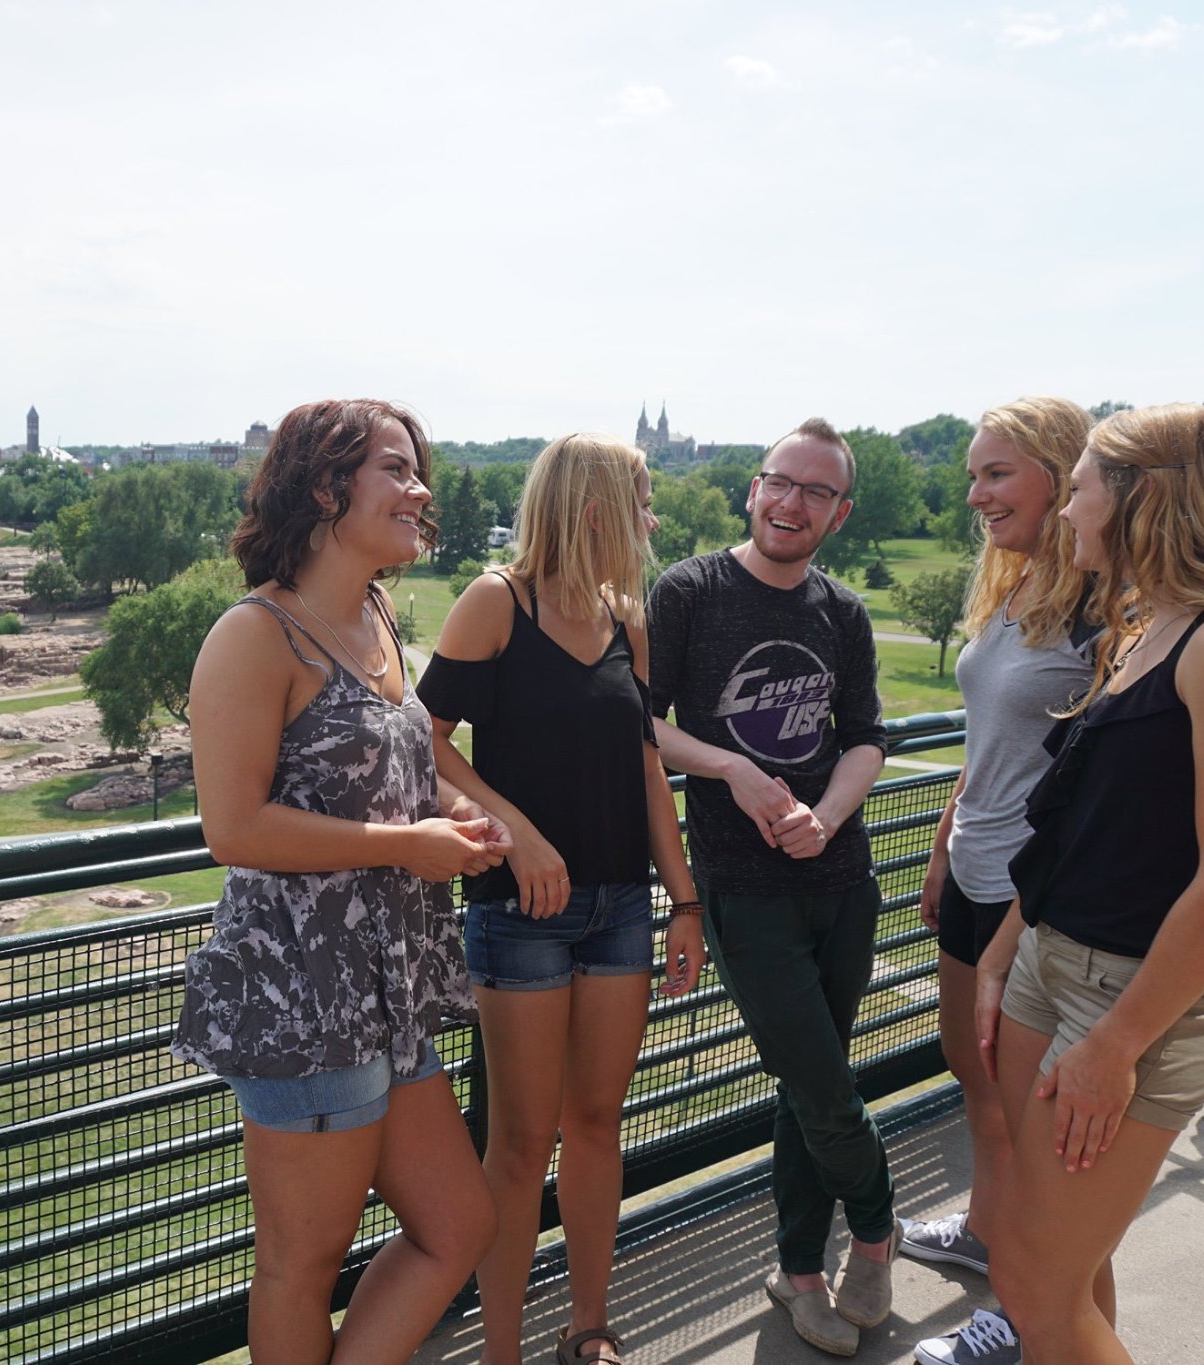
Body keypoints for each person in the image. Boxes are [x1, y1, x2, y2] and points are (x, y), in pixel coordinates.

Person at [976, 403, 1204, 1364]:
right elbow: (1079, 827)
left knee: (1030, 1281)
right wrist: (1006, 953)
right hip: (1051, 965)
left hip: (1133, 998)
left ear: (1140, 498)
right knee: (1060, 1260)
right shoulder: (1145, 626)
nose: (1067, 512)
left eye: (1082, 486)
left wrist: (1116, 1041)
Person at [170, 398, 508, 1365]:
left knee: (458, 1220)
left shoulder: (375, 611)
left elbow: (388, 774)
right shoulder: (254, 635)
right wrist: (408, 847)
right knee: (301, 1263)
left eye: (417, 471)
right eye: (396, 470)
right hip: (302, 993)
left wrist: (453, 822)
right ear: (325, 487)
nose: (420, 490)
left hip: (386, 986)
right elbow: (233, 827)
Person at [418, 432, 703, 1365]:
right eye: (642, 502)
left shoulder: (629, 619)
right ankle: (502, 1349)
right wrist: (517, 831)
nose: (652, 522)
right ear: (594, 509)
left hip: (620, 905)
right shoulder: (496, 603)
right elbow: (427, 747)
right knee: (519, 1141)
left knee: (595, 1125)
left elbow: (646, 761)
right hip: (518, 913)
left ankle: (589, 1328)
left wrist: (685, 902)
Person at [645, 417, 894, 1358]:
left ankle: (798, 1272)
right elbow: (643, 720)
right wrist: (728, 769)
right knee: (825, 1086)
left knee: (806, 1085)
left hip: (843, 876)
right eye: (778, 482)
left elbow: (867, 734)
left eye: (815, 491)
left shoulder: (842, 609)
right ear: (753, 489)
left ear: (839, 510)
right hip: (743, 890)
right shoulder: (691, 591)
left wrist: (826, 814)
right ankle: (877, 1225)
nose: (791, 502)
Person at [905, 398, 1096, 1365]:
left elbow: (1096, 773)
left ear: (1061, 474)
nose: (976, 493)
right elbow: (988, 741)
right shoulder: (1011, 584)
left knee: (1037, 1121)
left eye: (996, 473)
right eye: (974, 474)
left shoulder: (1104, 607)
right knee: (972, 1071)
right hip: (975, 870)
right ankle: (988, 1232)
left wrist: (1022, 904)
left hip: (1041, 897)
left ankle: (1029, 1316)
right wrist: (942, 841)